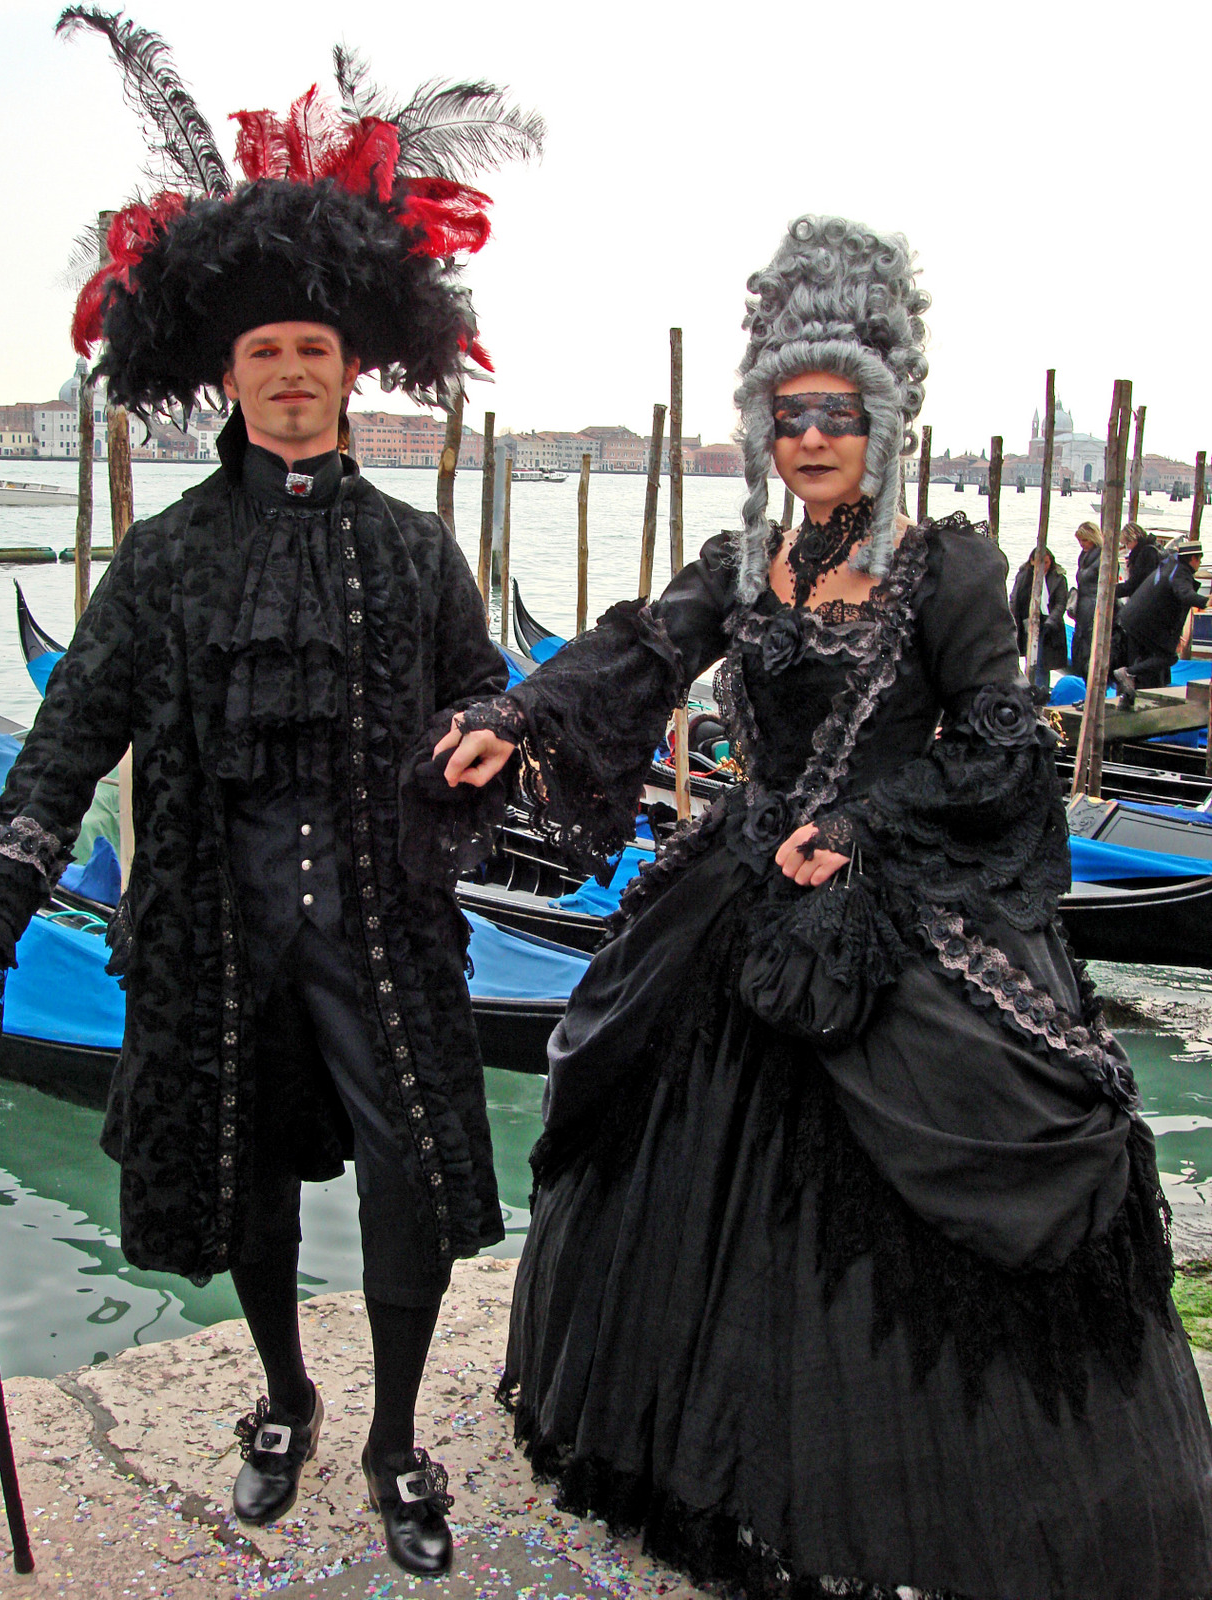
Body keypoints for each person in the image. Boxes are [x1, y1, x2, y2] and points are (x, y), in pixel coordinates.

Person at [433, 216, 1212, 1599]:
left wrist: (859, 823)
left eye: (836, 414)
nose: (808, 438)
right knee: (660, 1134)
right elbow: (639, 651)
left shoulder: (947, 567)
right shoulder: (745, 562)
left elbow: (1002, 743)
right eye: (786, 415)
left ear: (884, 421)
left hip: (895, 902)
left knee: (967, 1161)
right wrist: (516, 712)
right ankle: (701, 1462)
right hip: (740, 897)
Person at [0, 69, 532, 1577]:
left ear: (352, 366)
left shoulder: (417, 552)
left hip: (383, 927)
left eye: (314, 349)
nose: (292, 374)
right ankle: (285, 1397)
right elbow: (63, 748)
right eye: (266, 353)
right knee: (244, 1176)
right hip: (215, 928)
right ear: (229, 375)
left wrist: (488, 738)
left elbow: (489, 696)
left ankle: (393, 1443)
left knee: (406, 1178)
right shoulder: (167, 559)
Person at [1115, 538, 1208, 704]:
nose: (1200, 563)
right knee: (1168, 657)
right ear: (1193, 559)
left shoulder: (1170, 564)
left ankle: (1127, 696)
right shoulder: (1181, 573)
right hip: (1144, 624)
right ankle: (1128, 673)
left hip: (1133, 619)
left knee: (1144, 659)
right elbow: (1184, 593)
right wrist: (1205, 601)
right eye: (1199, 559)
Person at [1009, 544, 1068, 690]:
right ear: (1032, 561)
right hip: (1027, 621)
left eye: (1046, 563)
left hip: (1047, 622)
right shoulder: (1023, 576)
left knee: (1042, 662)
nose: (1043, 566)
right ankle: (1029, 689)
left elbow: (1061, 603)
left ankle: (1041, 691)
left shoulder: (1058, 577)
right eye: (1040, 562)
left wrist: (1051, 621)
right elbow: (1015, 598)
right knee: (1029, 659)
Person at [1067, 518, 1102, 676]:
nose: (1082, 544)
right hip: (1083, 605)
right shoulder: (1084, 557)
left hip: (1093, 605)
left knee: (1088, 642)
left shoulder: (1102, 557)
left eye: (1085, 540)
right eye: (1080, 541)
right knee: (1080, 642)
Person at [1116, 519, 1163, 598]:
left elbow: (1135, 582)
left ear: (1133, 539)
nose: (1128, 547)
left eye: (1127, 543)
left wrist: (1115, 590)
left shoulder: (1146, 553)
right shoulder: (1152, 549)